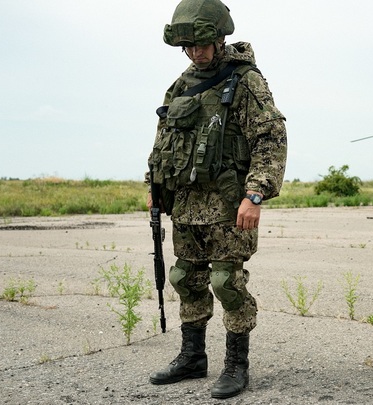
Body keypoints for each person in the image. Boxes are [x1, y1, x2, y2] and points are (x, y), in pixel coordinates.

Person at [145, 0, 287, 399]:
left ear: (220, 37)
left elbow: (271, 138)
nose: (196, 52)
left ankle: (236, 365)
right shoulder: (181, 84)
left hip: (229, 205)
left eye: (202, 44)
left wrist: (255, 194)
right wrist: (156, 189)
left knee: (227, 283)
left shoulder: (244, 81)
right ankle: (192, 357)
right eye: (188, 46)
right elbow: (164, 143)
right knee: (185, 279)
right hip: (187, 204)